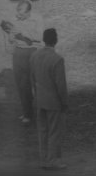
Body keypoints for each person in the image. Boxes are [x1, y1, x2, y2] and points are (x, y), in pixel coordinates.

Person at [30, 28, 69, 171]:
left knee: (42, 131)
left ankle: (44, 159)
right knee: (54, 131)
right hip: (53, 102)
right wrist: (64, 102)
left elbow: (32, 79)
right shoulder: (57, 59)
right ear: (56, 40)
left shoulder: (34, 56)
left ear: (44, 39)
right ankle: (53, 160)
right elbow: (61, 85)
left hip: (39, 99)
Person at [2, 1, 44, 125]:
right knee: (21, 85)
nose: (19, 17)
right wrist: (9, 34)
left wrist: (21, 32)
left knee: (37, 85)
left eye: (22, 15)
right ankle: (27, 113)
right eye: (18, 14)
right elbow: (10, 40)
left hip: (33, 52)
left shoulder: (37, 19)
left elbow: (39, 36)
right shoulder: (14, 19)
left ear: (29, 12)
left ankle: (43, 114)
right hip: (18, 53)